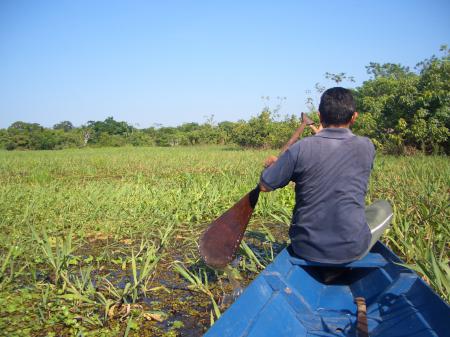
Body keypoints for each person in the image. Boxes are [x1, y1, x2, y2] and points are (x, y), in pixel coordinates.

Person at [259, 87, 393, 264]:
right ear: (354, 117)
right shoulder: (367, 147)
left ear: (320, 116)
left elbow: (264, 186)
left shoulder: (301, 148)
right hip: (351, 248)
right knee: (384, 206)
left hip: (305, 247)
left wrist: (272, 166)